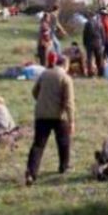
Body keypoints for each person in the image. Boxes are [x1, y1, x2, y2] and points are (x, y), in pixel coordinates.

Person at [24, 54, 75, 186]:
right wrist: (72, 121)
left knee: (38, 145)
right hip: (59, 115)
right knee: (63, 141)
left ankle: (31, 172)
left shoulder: (44, 74)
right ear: (65, 65)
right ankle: (64, 166)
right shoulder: (66, 78)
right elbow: (69, 102)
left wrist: (42, 102)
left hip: (41, 114)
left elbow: (34, 91)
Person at [82, 12, 106, 78]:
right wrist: (103, 43)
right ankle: (101, 72)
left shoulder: (87, 24)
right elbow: (103, 34)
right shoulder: (100, 23)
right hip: (98, 43)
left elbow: (85, 35)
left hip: (89, 43)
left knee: (89, 59)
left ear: (90, 16)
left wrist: (84, 43)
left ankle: (90, 73)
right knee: (99, 58)